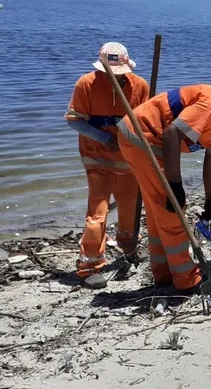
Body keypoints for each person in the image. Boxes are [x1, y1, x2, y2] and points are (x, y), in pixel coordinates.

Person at [117, 81, 211, 293]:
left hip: (153, 143)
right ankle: (187, 280)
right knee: (173, 212)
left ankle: (164, 274)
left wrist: (210, 201)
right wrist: (176, 186)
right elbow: (171, 133)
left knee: (159, 211)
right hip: (142, 137)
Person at [65, 42, 150, 289]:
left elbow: (147, 121)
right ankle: (90, 265)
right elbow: (74, 121)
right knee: (97, 212)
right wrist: (105, 138)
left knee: (130, 207)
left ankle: (129, 248)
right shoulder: (86, 84)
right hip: (97, 159)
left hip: (129, 160)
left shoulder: (140, 86)